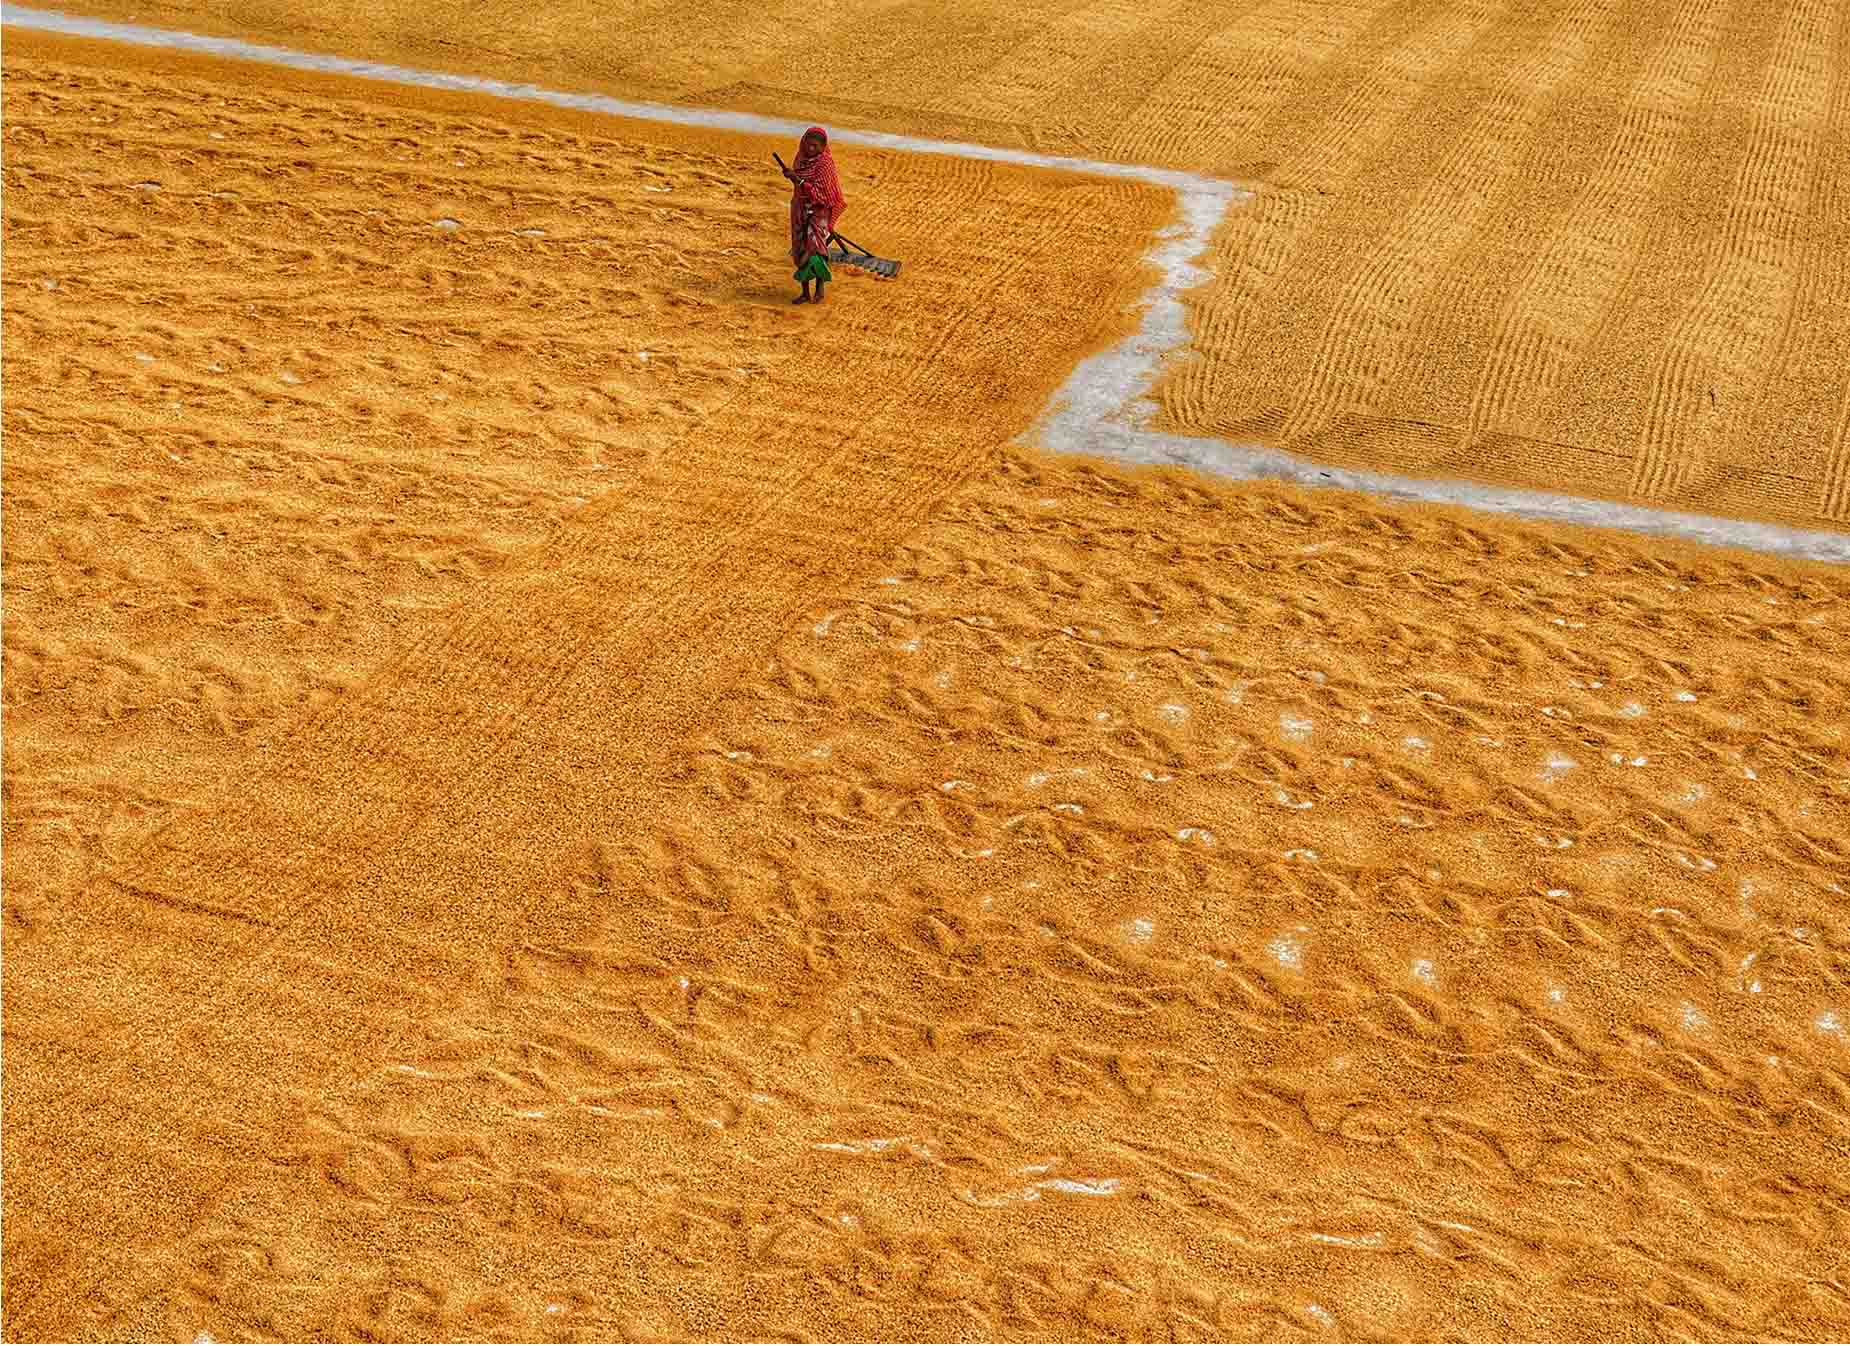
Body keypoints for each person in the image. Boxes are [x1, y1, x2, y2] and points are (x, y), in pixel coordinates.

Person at [782, 126, 846, 305]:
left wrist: (799, 181)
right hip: (800, 209)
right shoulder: (800, 159)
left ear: (823, 147)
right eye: (808, 145)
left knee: (816, 250)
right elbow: (798, 183)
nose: (811, 149)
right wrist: (792, 177)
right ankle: (805, 293)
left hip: (819, 212)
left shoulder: (825, 164)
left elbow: (824, 194)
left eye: (815, 146)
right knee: (800, 250)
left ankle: (819, 288)